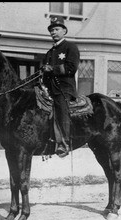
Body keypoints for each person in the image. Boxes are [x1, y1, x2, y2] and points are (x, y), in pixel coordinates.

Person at [42, 16, 80, 158]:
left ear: (64, 31)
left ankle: (63, 144)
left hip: (64, 89)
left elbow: (71, 68)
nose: (53, 32)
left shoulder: (70, 47)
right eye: (51, 30)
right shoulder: (49, 52)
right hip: (49, 89)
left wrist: (52, 69)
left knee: (61, 110)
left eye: (57, 29)